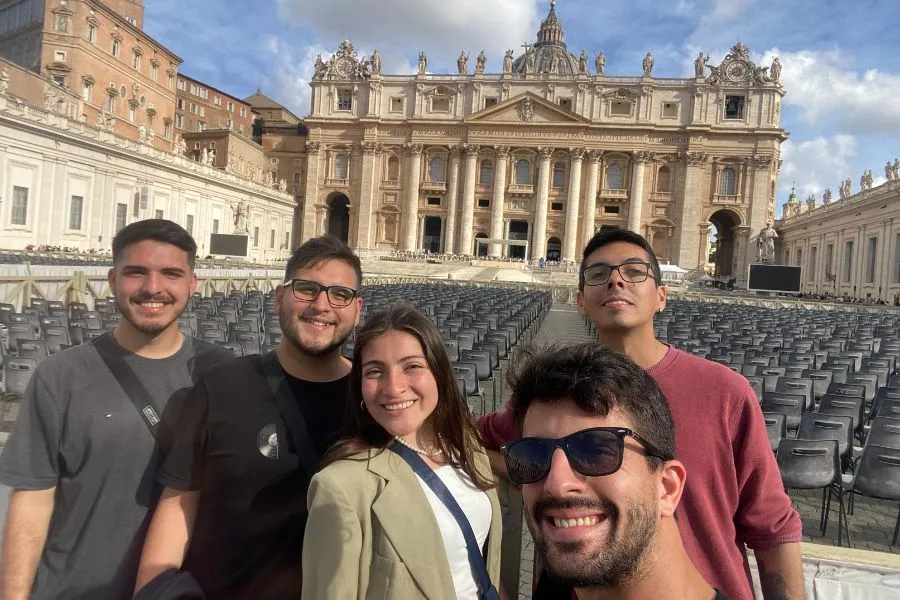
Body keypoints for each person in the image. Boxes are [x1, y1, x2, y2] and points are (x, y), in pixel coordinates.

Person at [478, 227, 803, 600]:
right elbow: (464, 438)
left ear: (662, 296)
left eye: (634, 271)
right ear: (580, 299)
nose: (616, 280)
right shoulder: (554, 402)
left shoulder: (726, 392)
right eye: (599, 274)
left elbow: (771, 527)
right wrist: (526, 470)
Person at [0, 219, 232, 600]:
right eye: (136, 272)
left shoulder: (223, 374)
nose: (152, 288)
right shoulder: (58, 376)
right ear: (112, 280)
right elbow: (31, 502)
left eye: (171, 274)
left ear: (193, 284)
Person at [135, 235, 363, 598]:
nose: (322, 305)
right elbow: (177, 509)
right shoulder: (221, 387)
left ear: (356, 309)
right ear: (278, 297)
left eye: (339, 294)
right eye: (306, 289)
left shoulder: (376, 401)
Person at [302, 304, 503, 599]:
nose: (393, 388)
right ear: (360, 387)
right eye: (375, 371)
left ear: (439, 373)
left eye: (412, 366)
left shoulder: (468, 447)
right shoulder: (341, 487)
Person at [505, 343, 724, 599]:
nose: (556, 483)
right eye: (535, 455)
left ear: (667, 488)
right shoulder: (559, 584)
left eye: (595, 451)